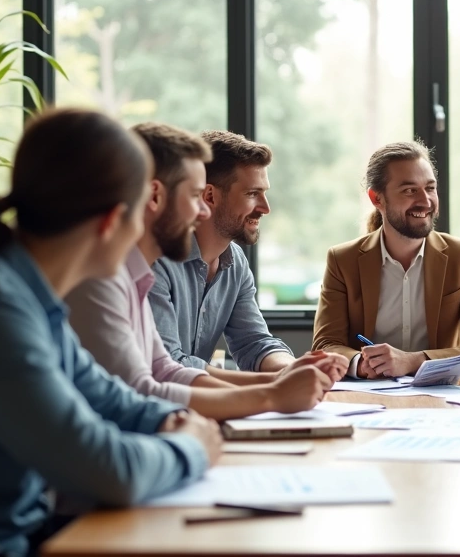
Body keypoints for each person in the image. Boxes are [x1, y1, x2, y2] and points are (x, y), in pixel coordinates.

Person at [0, 109, 221, 557]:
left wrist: (171, 420)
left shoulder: (24, 297)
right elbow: (108, 471)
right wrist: (191, 447)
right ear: (111, 221)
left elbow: (110, 399)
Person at [65, 122, 338, 420]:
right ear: (155, 196)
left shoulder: (137, 271)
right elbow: (144, 388)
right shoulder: (110, 275)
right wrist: (272, 394)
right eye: (195, 196)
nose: (203, 211)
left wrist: (283, 378)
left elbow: (163, 370)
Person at [151, 130, 344, 381]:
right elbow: (168, 364)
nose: (265, 208)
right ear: (209, 196)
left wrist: (294, 368)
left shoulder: (236, 262)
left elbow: (254, 342)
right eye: (252, 194)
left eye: (264, 193)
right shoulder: (157, 260)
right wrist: (274, 384)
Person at [311, 140, 460, 377]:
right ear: (377, 198)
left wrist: (413, 361)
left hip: (442, 393)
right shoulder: (343, 260)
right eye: (410, 190)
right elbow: (325, 345)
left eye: (430, 188)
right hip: (370, 393)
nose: (425, 201)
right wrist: (361, 364)